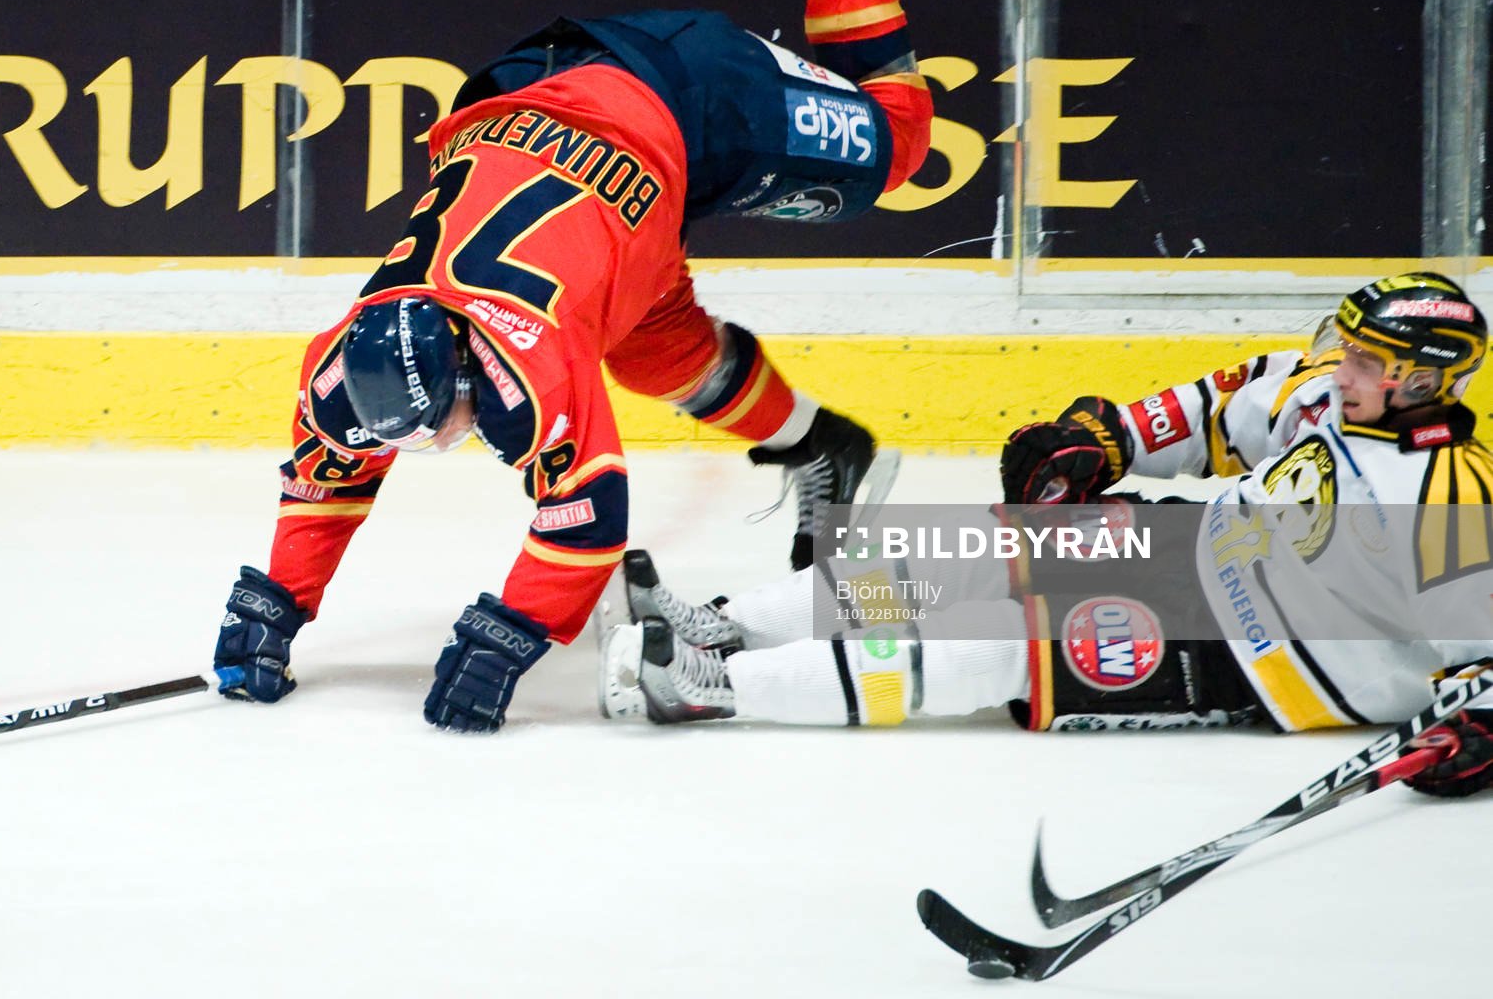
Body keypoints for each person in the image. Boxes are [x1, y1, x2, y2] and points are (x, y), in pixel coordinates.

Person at [211, 0, 934, 732]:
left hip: (685, 95)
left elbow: (586, 521)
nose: (434, 444)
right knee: (651, 355)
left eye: (442, 421)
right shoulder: (347, 364)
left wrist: (508, 635)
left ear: (472, 365)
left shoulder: (530, 360)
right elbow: (328, 475)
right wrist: (274, 602)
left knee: (901, 144)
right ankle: (824, 445)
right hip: (576, 164)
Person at [600, 271, 1493, 799]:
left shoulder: (1452, 492)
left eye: (1368, 362)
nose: (1343, 369)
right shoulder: (1320, 387)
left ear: (1422, 382)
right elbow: (1215, 409)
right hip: (1199, 544)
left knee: (996, 644)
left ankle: (718, 686)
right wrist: (1108, 437)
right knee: (957, 553)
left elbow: (1478, 643)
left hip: (1262, 652)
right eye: (1344, 348)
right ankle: (728, 624)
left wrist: (1480, 719)